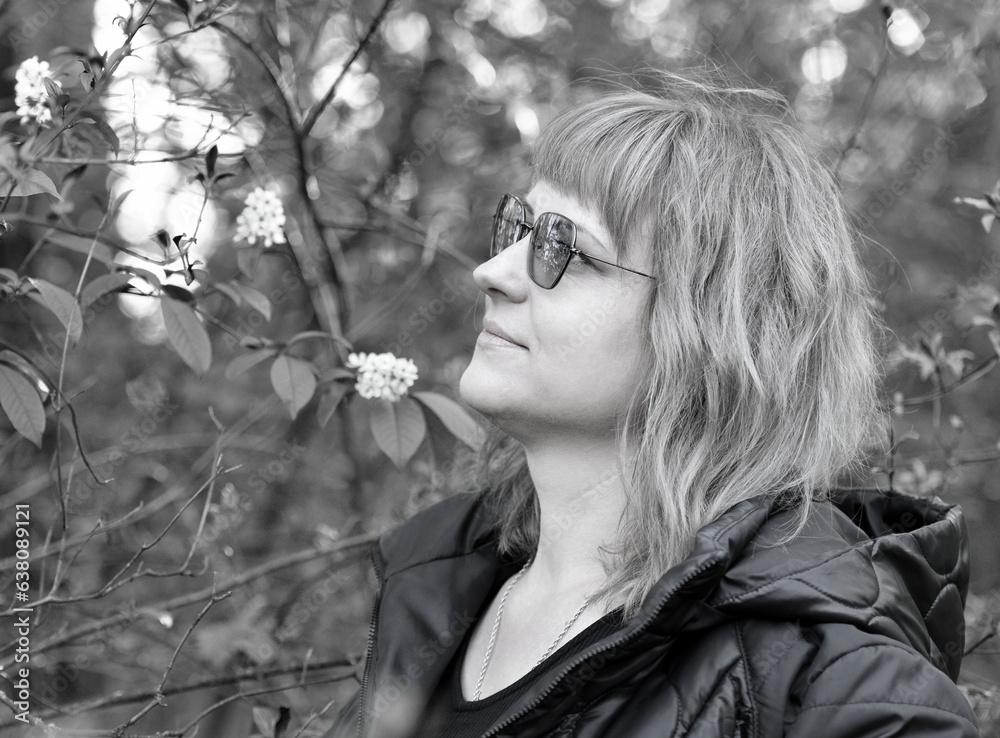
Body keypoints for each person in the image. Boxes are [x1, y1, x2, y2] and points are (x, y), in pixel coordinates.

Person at [324, 72, 981, 737]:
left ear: (711, 332)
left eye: (567, 251)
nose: (492, 273)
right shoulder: (433, 591)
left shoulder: (837, 683)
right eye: (516, 228)